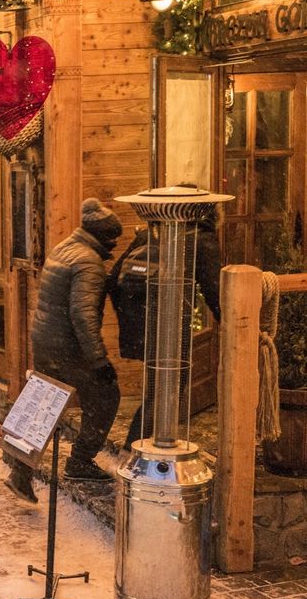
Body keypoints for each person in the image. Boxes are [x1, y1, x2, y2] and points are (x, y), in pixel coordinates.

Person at [12, 198, 125, 493]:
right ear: (103, 236)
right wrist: (99, 361)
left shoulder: (65, 247)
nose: (114, 246)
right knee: (105, 397)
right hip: (69, 347)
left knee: (43, 403)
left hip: (46, 339)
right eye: (113, 240)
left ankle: (19, 467)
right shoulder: (88, 262)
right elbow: (83, 315)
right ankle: (80, 463)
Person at [108, 202, 222, 453]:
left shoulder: (150, 234)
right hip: (172, 328)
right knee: (166, 392)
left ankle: (141, 445)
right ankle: (145, 447)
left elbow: (113, 280)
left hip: (144, 327)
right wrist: (228, 322)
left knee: (155, 391)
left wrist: (133, 322)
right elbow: (215, 290)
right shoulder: (201, 241)